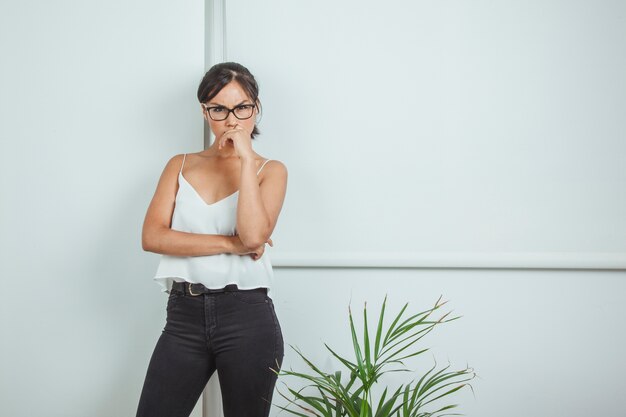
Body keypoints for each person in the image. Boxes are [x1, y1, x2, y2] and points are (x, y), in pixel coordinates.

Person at [136, 62, 288, 417]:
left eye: (242, 107)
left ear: (256, 108)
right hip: (184, 317)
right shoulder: (180, 164)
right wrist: (231, 245)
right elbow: (152, 236)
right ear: (205, 112)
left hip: (247, 318)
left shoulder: (271, 170)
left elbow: (253, 235)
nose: (231, 120)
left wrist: (246, 158)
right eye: (219, 109)